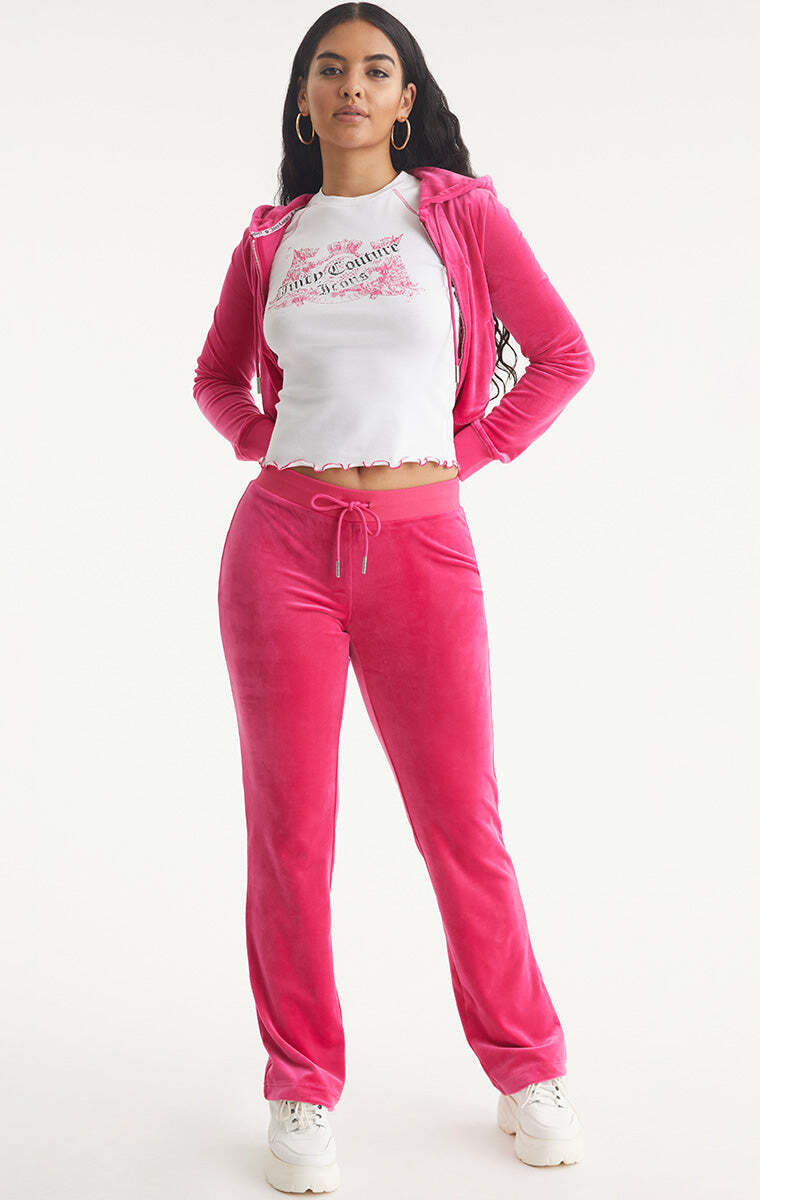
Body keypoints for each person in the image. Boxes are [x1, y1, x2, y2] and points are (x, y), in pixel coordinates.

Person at [193, 6, 595, 1192]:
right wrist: (269, 442)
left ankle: (528, 1067)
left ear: (408, 98)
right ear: (304, 98)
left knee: (461, 821)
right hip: (280, 551)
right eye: (331, 70)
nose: (353, 87)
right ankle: (300, 1084)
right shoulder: (271, 239)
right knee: (291, 833)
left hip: (422, 548)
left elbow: (563, 355)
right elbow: (216, 378)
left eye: (378, 70)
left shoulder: (457, 215)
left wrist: (463, 457)